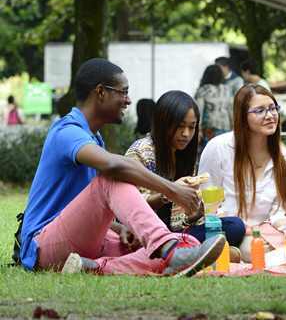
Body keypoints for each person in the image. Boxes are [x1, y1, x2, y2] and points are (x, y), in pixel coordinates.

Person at [18, 58, 225, 276]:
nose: (128, 100)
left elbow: (89, 208)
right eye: (123, 92)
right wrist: (172, 190)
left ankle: (92, 267)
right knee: (111, 178)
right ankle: (169, 250)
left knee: (187, 242)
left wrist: (121, 228)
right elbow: (113, 167)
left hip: (79, 245)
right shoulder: (66, 131)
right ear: (100, 92)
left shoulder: (94, 139)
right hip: (44, 247)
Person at [126, 90, 245, 249]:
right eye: (180, 126)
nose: (186, 134)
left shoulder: (184, 155)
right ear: (163, 123)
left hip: (172, 234)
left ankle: (191, 250)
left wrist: (195, 214)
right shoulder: (140, 152)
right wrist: (170, 192)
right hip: (144, 233)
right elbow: (130, 206)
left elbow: (177, 224)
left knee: (235, 226)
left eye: (192, 127)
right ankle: (197, 250)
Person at [198, 84, 286, 262]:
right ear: (242, 117)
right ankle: (231, 253)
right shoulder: (218, 148)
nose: (270, 115)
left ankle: (240, 255)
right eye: (259, 110)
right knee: (253, 251)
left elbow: (282, 212)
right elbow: (208, 202)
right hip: (228, 229)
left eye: (273, 108)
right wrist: (245, 230)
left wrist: (273, 232)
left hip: (268, 234)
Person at [194, 64, 233, 144]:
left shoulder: (203, 90)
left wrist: (198, 130)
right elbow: (231, 110)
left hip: (210, 130)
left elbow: (198, 112)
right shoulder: (227, 89)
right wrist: (233, 128)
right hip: (226, 128)